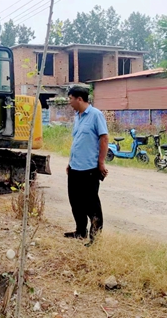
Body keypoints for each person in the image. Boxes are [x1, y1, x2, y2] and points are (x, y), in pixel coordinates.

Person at [64, 85, 109, 247]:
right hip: (75, 167)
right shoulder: (78, 116)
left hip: (89, 169)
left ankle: (95, 238)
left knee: (91, 204)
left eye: (70, 98)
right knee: (75, 202)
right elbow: (77, 142)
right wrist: (70, 162)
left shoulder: (96, 115)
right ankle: (80, 231)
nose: (69, 102)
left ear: (79, 99)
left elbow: (104, 139)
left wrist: (101, 163)